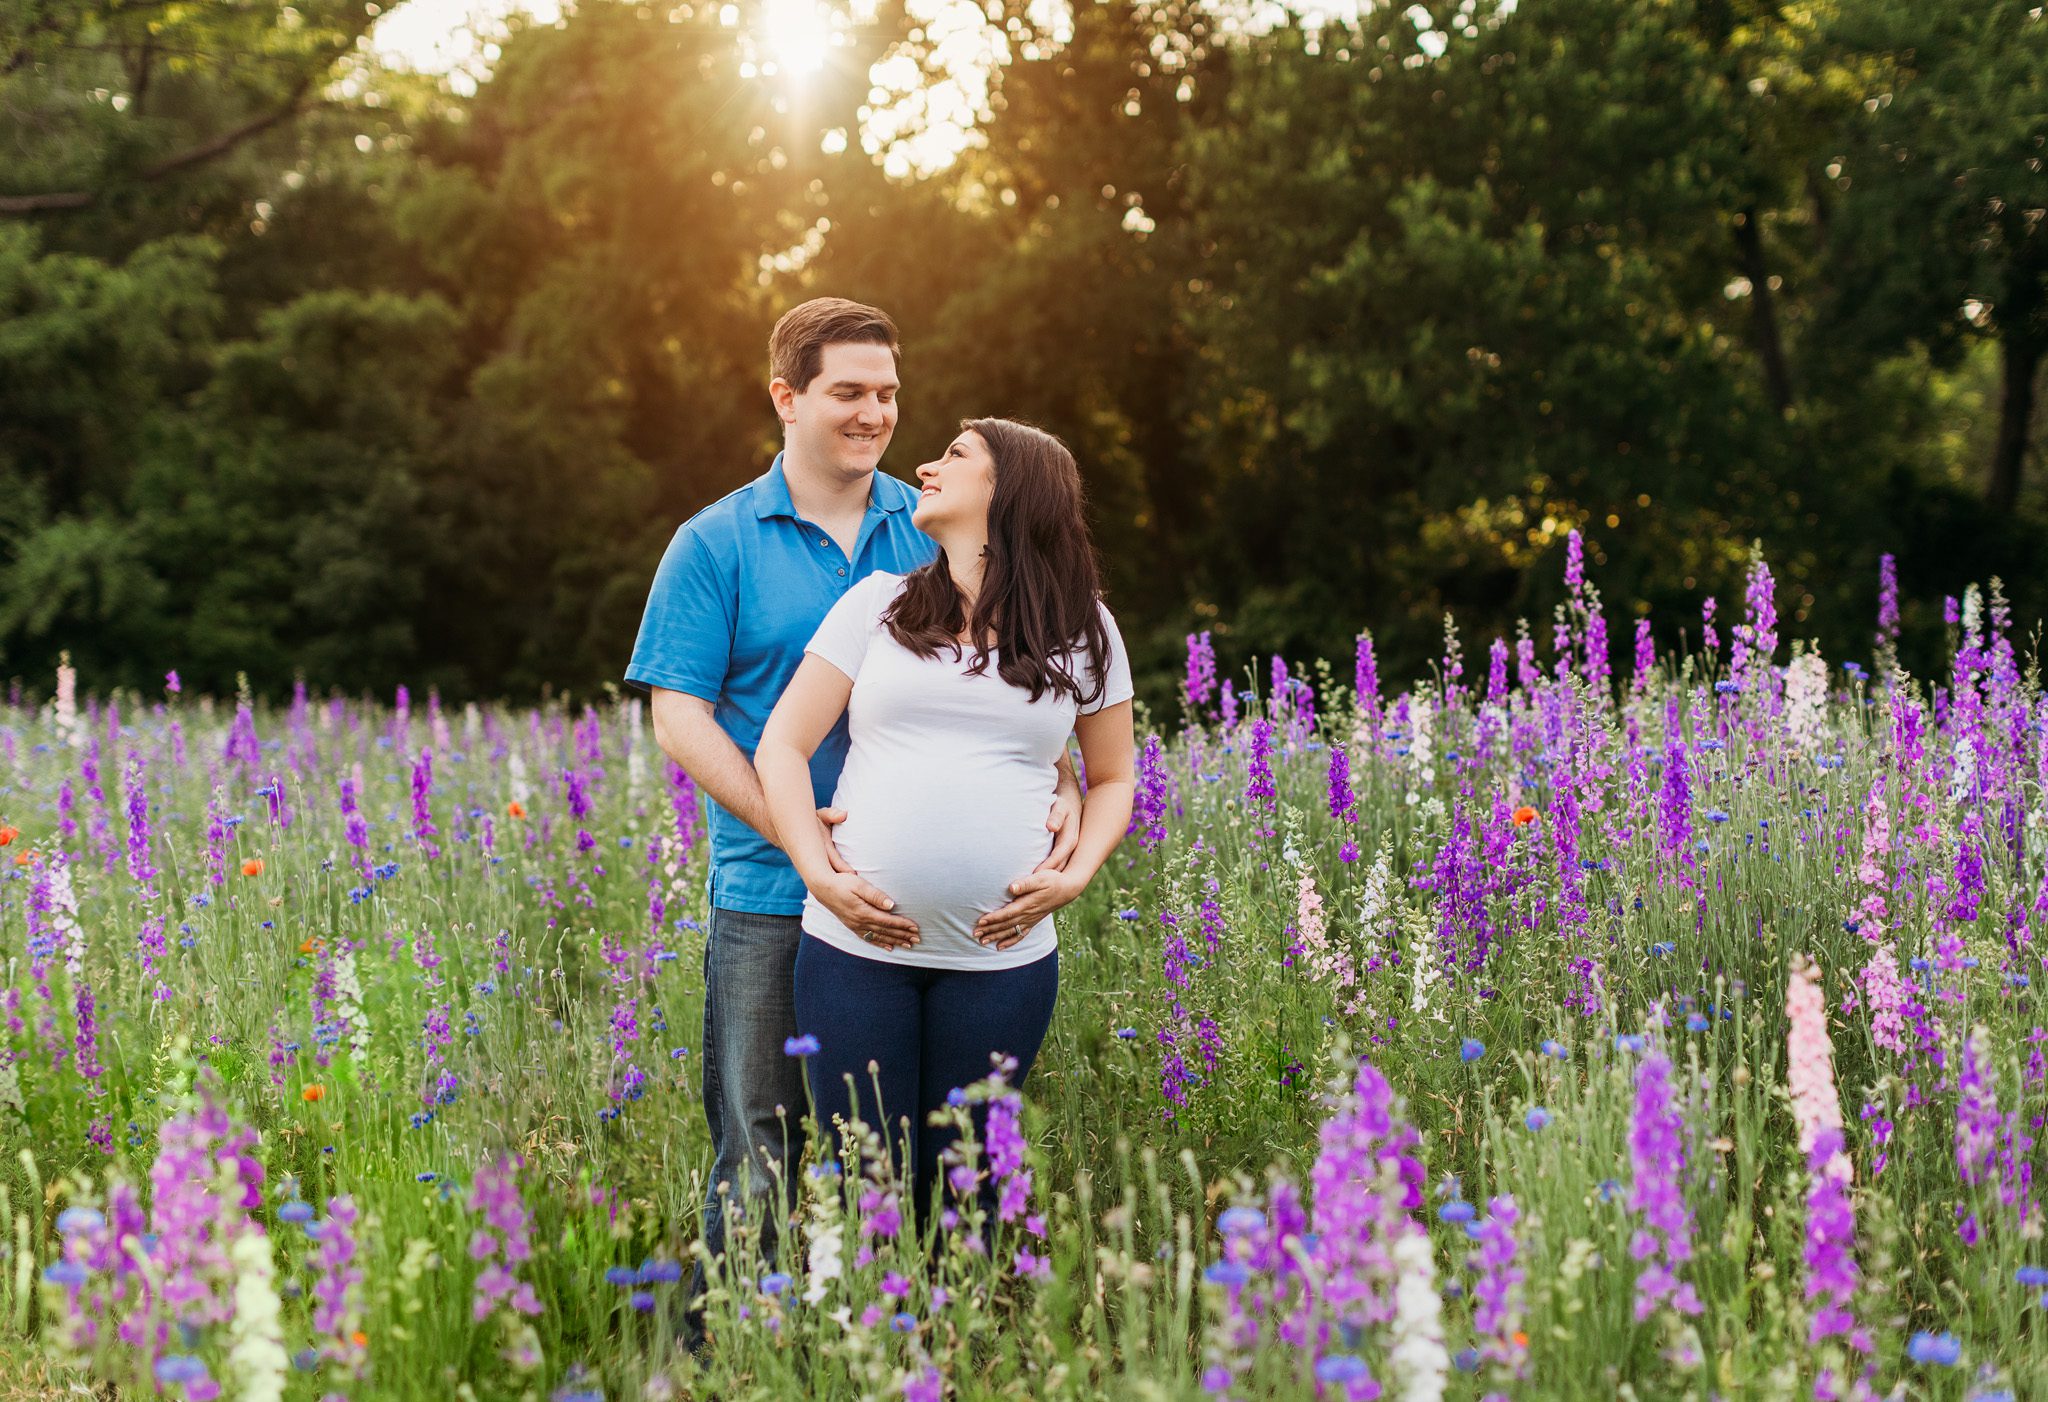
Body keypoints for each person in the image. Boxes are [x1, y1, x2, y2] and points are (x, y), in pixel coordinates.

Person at [625, 300, 1082, 1346]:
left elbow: (1020, 680)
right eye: (848, 392)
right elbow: (679, 717)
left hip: (933, 916)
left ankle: (892, 1344)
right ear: (785, 397)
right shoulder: (716, 542)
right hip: (769, 892)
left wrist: (1057, 780)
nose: (875, 413)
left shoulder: (927, 518)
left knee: (917, 1150)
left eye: (887, 392)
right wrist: (799, 839)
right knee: (763, 1138)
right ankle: (730, 1354)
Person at [754, 417, 1136, 1231]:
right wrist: (819, 872)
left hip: (1002, 959)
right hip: (855, 949)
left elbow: (1113, 777)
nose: (925, 465)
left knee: (972, 1189)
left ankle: (962, 1353)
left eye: (957, 455)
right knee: (864, 1177)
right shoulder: (877, 605)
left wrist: (1076, 875)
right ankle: (867, 1352)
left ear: (1012, 491)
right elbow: (782, 746)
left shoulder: (1086, 628)